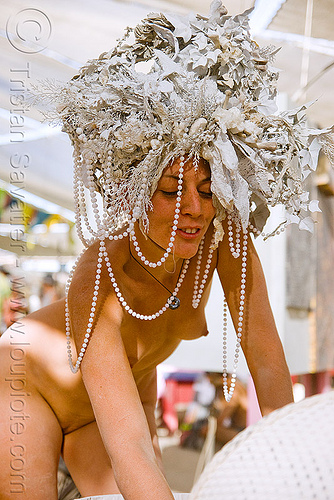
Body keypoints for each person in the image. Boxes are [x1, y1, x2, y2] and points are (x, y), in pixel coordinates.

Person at [0, 2, 333, 499]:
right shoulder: (100, 272)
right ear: (136, 190)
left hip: (113, 409)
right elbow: (131, 445)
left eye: (207, 188)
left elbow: (266, 363)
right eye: (172, 191)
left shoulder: (225, 237)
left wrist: (293, 470)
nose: (193, 210)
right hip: (26, 387)